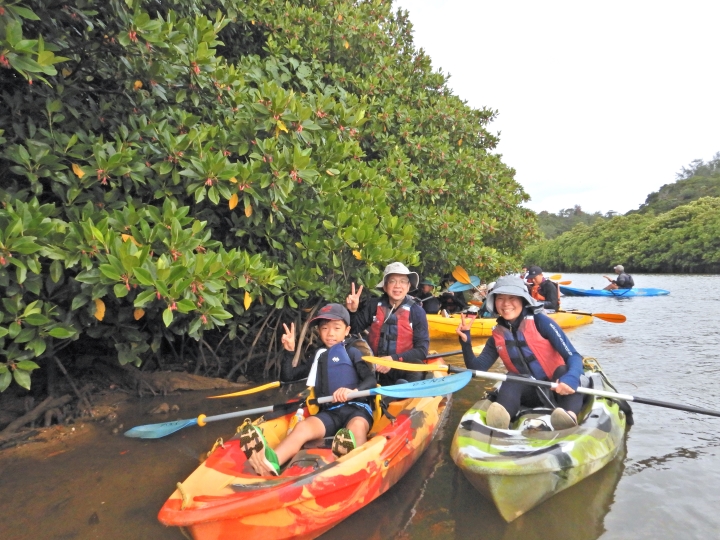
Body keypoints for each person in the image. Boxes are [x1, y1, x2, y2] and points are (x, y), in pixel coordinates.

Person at [239, 303, 376, 476]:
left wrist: (352, 391)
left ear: (347, 330)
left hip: (357, 409)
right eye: (324, 328)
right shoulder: (318, 356)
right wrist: (289, 352)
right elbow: (288, 377)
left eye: (336, 327)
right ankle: (271, 462)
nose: (330, 333)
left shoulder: (353, 351)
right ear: (319, 331)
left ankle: (356, 463)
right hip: (330, 412)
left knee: (356, 428)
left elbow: (371, 380)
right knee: (302, 428)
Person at [454, 275, 584, 431]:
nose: (506, 303)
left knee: (564, 370)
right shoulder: (497, 335)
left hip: (557, 388)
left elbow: (574, 356)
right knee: (512, 379)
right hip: (528, 395)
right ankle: (501, 420)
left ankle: (568, 416)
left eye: (512, 298)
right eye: (500, 298)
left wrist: (570, 378)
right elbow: (477, 369)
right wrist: (466, 342)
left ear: (523, 300)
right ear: (494, 303)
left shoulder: (541, 322)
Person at [345, 262, 430, 384]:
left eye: (402, 281)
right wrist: (352, 311)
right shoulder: (374, 305)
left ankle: (404, 394)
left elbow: (422, 350)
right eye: (392, 281)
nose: (397, 286)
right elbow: (353, 329)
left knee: (416, 372)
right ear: (385, 287)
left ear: (408, 286)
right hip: (375, 366)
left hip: (403, 366)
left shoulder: (417, 312)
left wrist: (392, 360)